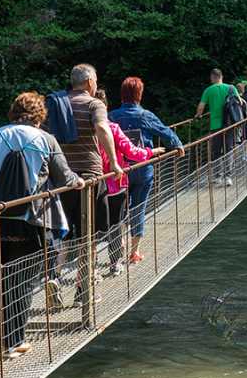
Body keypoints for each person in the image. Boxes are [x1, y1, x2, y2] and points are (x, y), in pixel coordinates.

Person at [0, 91, 82, 355]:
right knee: (24, 281)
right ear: (40, 117)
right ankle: (16, 340)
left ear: (12, 113)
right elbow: (65, 178)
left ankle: (1, 337)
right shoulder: (46, 139)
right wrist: (79, 180)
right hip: (33, 222)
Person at [58, 64, 125, 282]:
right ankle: (83, 285)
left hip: (61, 178)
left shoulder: (57, 104)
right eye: (95, 80)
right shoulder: (94, 104)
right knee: (90, 233)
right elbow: (103, 129)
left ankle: (55, 277)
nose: (96, 85)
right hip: (90, 177)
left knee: (63, 231)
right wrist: (114, 163)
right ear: (89, 82)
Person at [108, 77, 183, 265]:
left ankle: (120, 244)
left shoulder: (112, 116)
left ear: (122, 94)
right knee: (139, 208)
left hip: (119, 170)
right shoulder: (145, 115)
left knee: (119, 209)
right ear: (139, 95)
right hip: (142, 168)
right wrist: (178, 145)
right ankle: (135, 252)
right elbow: (164, 132)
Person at [95, 88, 165, 276]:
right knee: (116, 224)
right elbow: (133, 152)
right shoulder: (112, 128)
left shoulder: (80, 130)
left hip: (91, 185)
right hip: (115, 184)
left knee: (89, 229)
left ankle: (83, 274)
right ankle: (115, 263)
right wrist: (152, 152)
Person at [195, 68, 237, 185]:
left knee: (216, 151)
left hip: (215, 125)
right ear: (221, 76)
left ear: (213, 77)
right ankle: (228, 177)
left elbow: (201, 107)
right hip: (230, 124)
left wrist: (198, 115)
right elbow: (239, 102)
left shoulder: (208, 90)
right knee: (228, 149)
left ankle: (218, 176)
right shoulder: (231, 88)